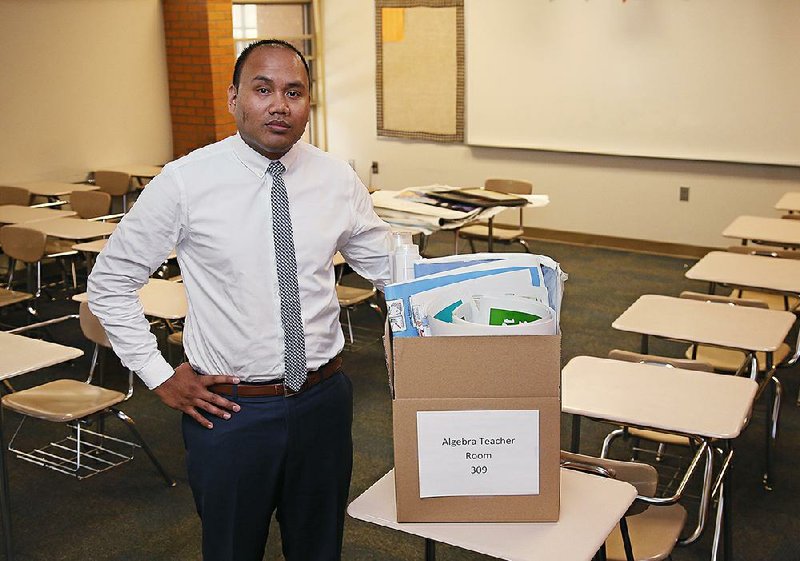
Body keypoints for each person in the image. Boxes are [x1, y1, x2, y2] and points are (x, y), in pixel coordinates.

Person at [88, 39, 390, 561]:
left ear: (308, 104)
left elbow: (388, 264)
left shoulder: (335, 177)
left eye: (294, 92)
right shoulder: (185, 182)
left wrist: (484, 282)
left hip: (324, 401)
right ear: (233, 98)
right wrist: (158, 375)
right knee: (232, 550)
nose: (280, 104)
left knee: (320, 549)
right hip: (232, 413)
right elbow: (109, 283)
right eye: (263, 89)